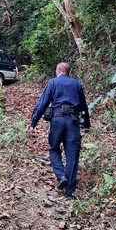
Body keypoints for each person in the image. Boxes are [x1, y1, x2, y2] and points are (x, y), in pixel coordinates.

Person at [29, 62, 91, 199]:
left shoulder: (53, 83)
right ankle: (69, 192)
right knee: (72, 156)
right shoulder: (76, 84)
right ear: (69, 72)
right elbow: (84, 106)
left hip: (57, 122)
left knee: (54, 149)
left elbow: (43, 103)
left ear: (57, 72)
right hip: (73, 122)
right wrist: (87, 124)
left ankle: (61, 176)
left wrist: (33, 122)